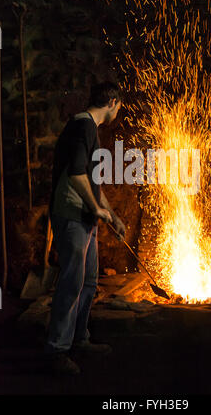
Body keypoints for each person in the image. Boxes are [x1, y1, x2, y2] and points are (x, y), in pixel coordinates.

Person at [45, 82, 125, 375]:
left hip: (85, 219)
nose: (118, 113)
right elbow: (77, 174)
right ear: (113, 102)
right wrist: (95, 209)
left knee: (88, 282)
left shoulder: (89, 129)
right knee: (71, 284)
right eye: (119, 108)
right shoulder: (83, 127)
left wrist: (112, 216)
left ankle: (79, 339)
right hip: (73, 216)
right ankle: (56, 352)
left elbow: (91, 182)